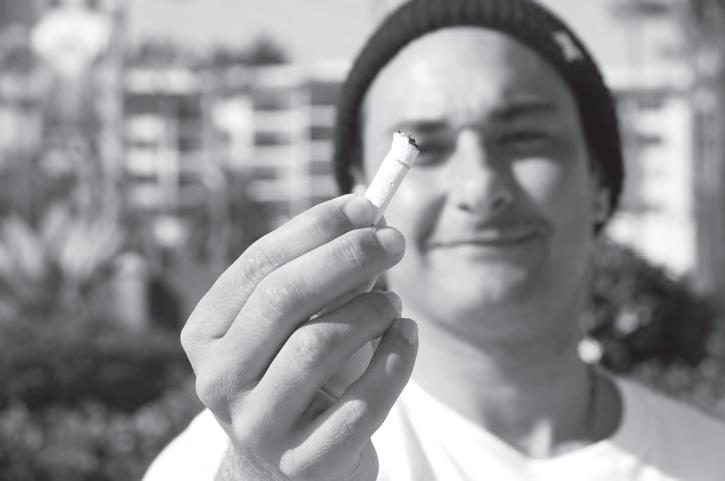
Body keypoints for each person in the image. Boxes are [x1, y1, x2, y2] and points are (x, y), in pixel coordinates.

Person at [143, 0, 725, 480]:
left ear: (598, 181)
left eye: (524, 136)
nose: (480, 187)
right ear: (359, 192)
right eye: (430, 147)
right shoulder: (227, 458)